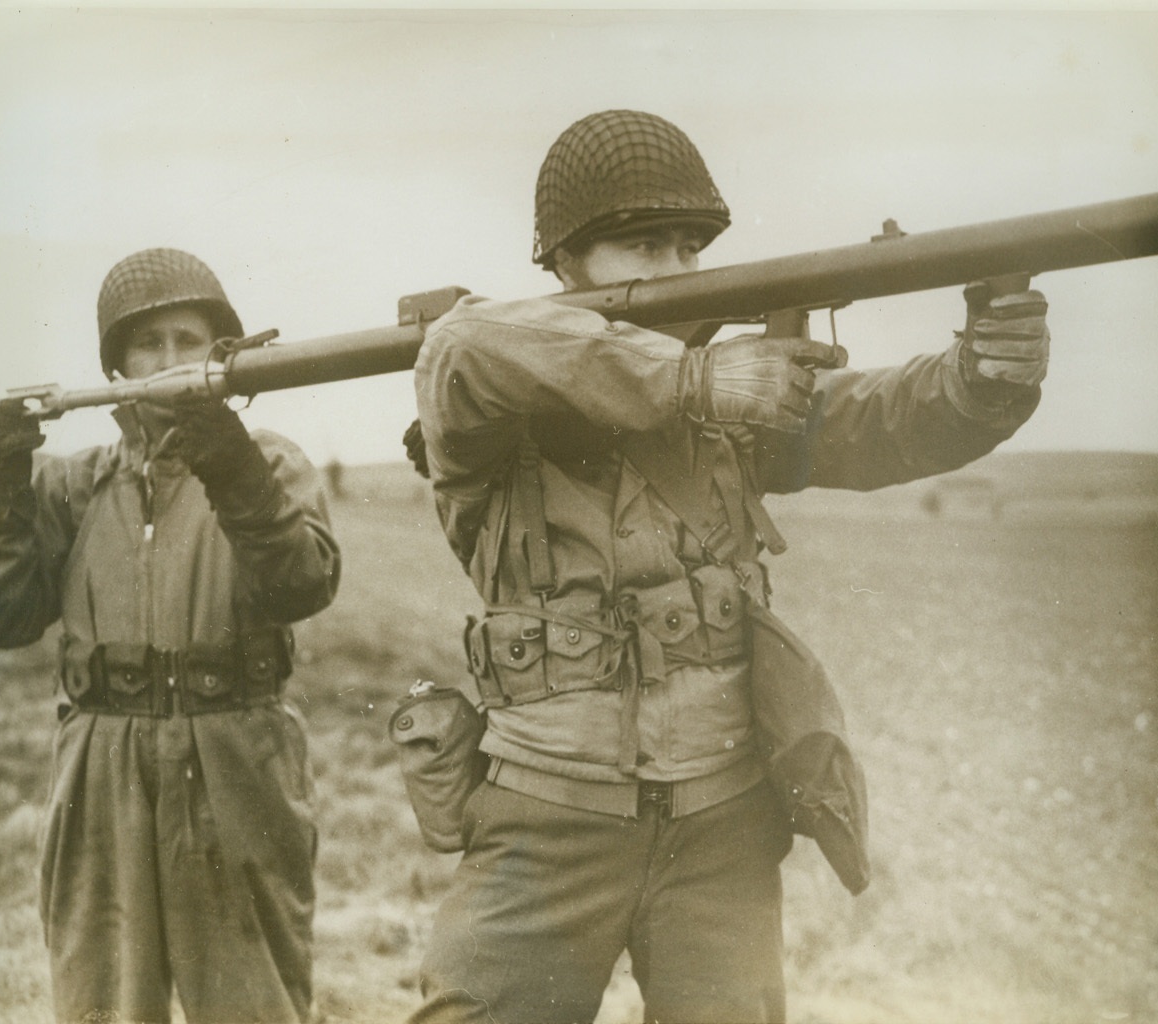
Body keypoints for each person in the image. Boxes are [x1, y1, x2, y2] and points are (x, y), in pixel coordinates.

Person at [409, 109, 1049, 1023]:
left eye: (687, 247)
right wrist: (688, 381)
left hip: (722, 825)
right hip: (545, 825)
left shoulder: (730, 397)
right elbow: (458, 344)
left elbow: (879, 418)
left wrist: (985, 375)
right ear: (565, 265)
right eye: (641, 246)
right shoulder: (487, 405)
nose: (673, 272)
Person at [0, 248, 341, 1024]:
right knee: (101, 1002)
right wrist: (5, 492)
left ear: (223, 353)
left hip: (237, 762)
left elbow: (302, 586)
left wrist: (232, 469)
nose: (170, 362)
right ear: (115, 367)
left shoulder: (271, 462)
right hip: (100, 769)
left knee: (255, 1005)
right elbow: (1, 620)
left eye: (189, 339)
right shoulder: (76, 483)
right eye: (149, 343)